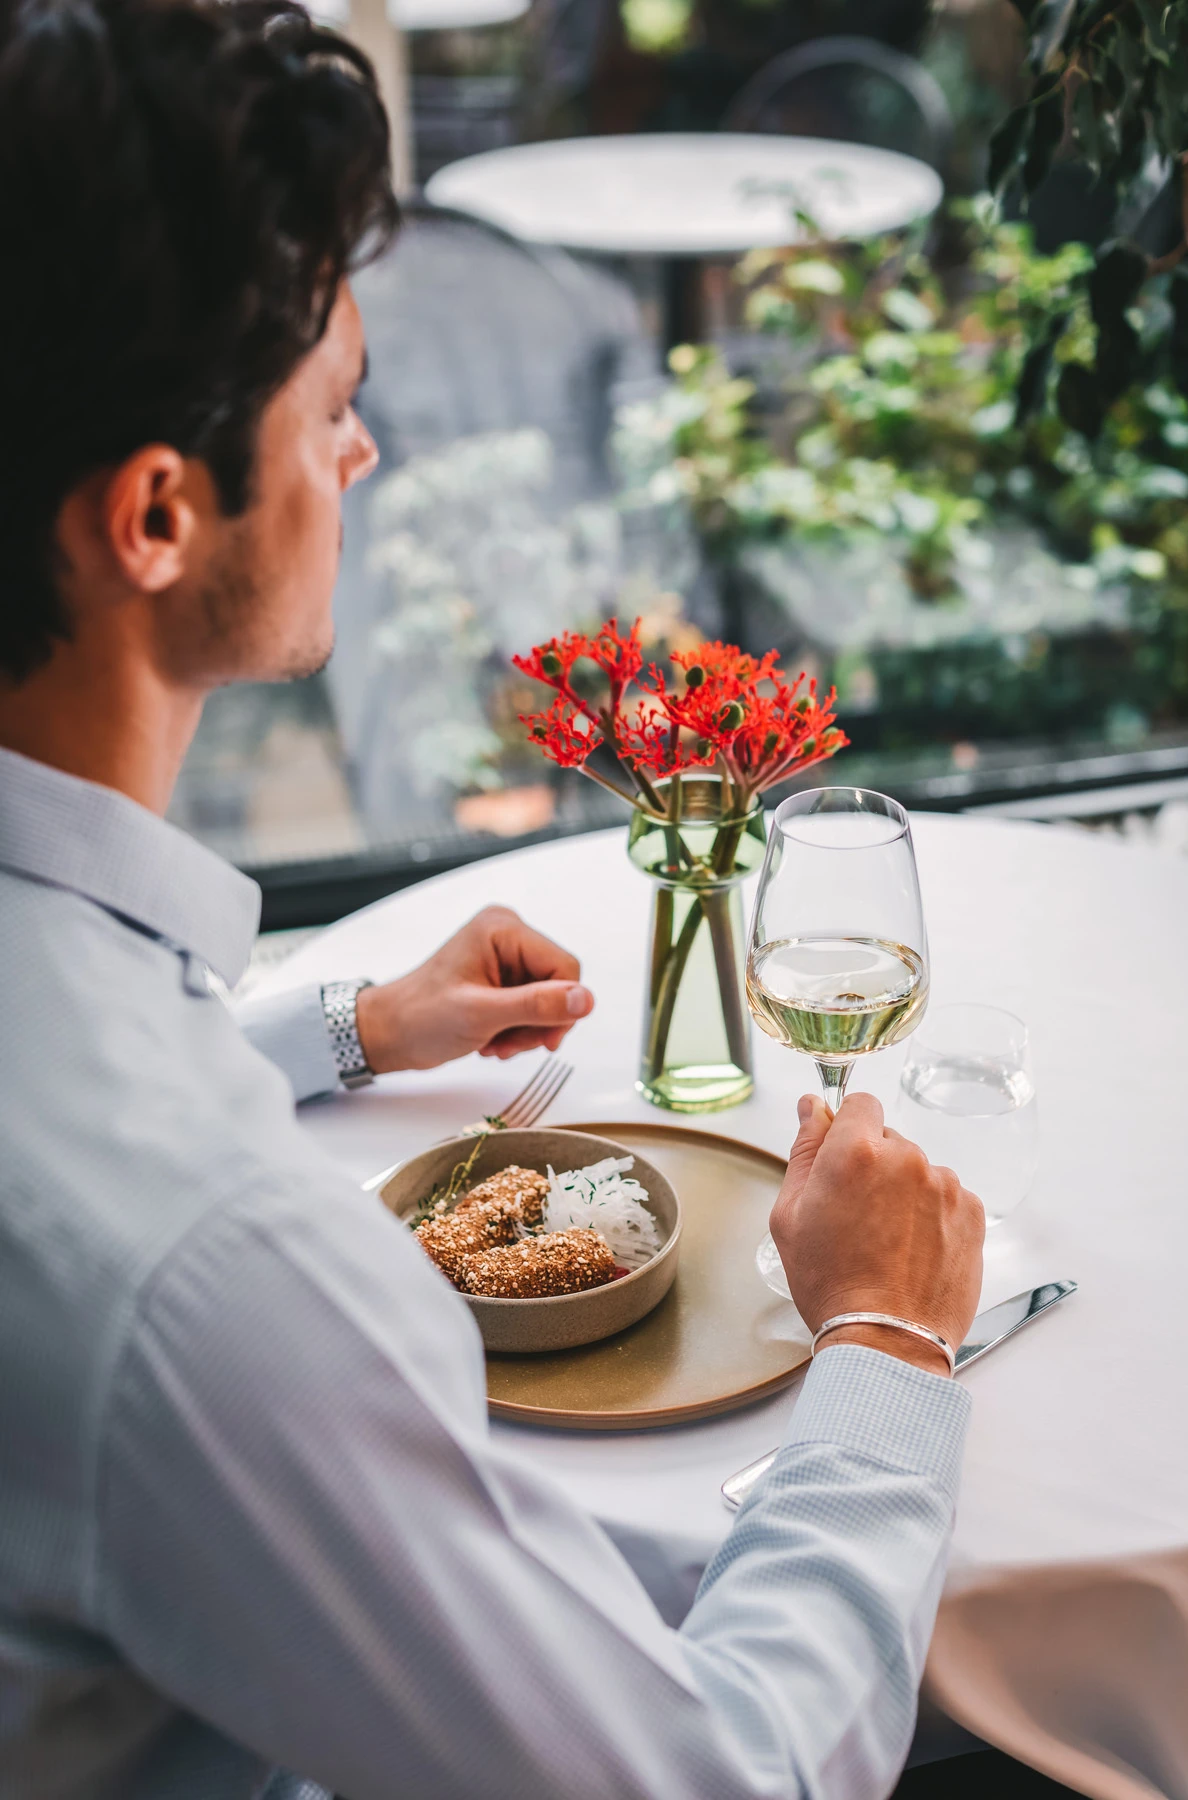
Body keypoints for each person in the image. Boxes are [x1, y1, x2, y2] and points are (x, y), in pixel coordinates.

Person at [0, 3, 985, 1797]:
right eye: (336, 407)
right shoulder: (217, 1281)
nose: (363, 460)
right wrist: (888, 1342)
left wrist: (339, 1029)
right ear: (157, 515)